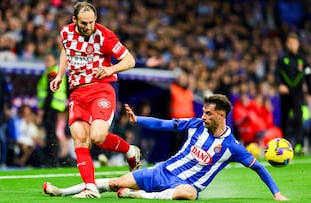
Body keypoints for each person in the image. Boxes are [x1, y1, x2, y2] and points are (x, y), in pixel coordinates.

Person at [43, 94, 288, 200]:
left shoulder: (233, 147)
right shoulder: (195, 124)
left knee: (189, 195)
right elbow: (164, 124)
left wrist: (276, 194)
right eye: (203, 111)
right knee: (115, 183)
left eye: (208, 113)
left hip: (184, 185)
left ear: (222, 115)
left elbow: (259, 168)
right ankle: (62, 192)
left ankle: (140, 196)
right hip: (162, 171)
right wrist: (139, 119)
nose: (203, 116)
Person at [49, 1, 141, 198]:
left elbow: (130, 60)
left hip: (101, 89)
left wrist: (111, 69)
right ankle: (90, 187)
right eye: (84, 23)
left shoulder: (104, 35)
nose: (89, 27)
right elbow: (66, 51)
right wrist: (59, 75)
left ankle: (130, 150)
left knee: (98, 137)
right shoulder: (65, 33)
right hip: (77, 93)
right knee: (80, 139)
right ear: (74, 20)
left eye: (92, 22)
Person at [275, 33, 311, 154]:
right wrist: (280, 84)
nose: (293, 45)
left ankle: (300, 145)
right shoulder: (282, 59)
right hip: (285, 94)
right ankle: (284, 145)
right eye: (290, 43)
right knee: (284, 119)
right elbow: (277, 73)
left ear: (298, 44)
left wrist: (309, 92)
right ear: (287, 44)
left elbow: (307, 75)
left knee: (298, 118)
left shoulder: (302, 59)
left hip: (298, 94)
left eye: (295, 43)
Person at [37, 52, 68, 167]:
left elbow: (50, 91)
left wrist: (44, 110)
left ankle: (52, 161)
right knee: (51, 134)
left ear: (54, 61)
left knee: (51, 135)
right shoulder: (56, 71)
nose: (46, 62)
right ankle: (52, 160)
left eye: (49, 60)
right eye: (45, 60)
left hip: (52, 107)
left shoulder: (53, 72)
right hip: (55, 107)